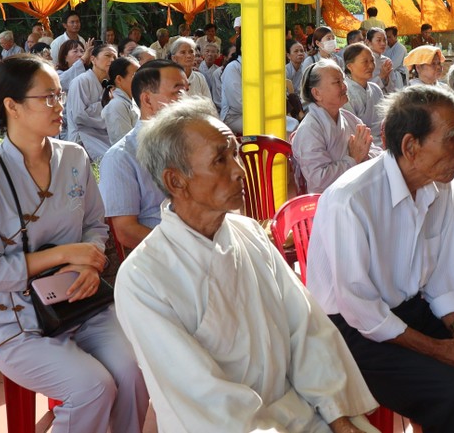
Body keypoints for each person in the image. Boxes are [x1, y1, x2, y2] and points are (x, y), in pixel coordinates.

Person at [113, 98, 379, 432]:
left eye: (235, 153)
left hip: (304, 412)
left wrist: (338, 415)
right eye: (220, 160)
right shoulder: (143, 278)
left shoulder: (248, 231)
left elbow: (307, 329)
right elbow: (204, 399)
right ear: (176, 181)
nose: (239, 170)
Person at [307, 85, 454, 433]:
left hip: (409, 311)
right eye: (452, 138)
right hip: (350, 332)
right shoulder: (351, 200)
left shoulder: (437, 187)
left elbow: (441, 277)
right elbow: (361, 310)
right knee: (453, 391)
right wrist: (441, 350)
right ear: (410, 146)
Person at [0, 54, 148, 433]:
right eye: (48, 98)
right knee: (93, 388)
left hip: (81, 303)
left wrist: (87, 263)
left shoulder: (73, 158)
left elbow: (95, 224)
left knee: (134, 370)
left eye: (60, 95)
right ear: (12, 106)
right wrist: (65, 255)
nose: (60, 106)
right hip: (16, 320)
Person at [99, 60, 188, 251]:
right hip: (164, 258)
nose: (187, 100)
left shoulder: (192, 147)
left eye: (187, 91)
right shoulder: (121, 157)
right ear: (147, 100)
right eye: (178, 92)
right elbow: (126, 231)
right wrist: (184, 250)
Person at [293, 60, 379, 193]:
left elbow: (375, 151)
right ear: (317, 93)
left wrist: (364, 156)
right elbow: (319, 180)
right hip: (329, 203)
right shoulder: (309, 129)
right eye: (337, 82)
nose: (345, 86)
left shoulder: (349, 118)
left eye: (343, 80)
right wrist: (353, 159)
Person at [66, 43, 118, 161]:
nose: (111, 60)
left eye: (114, 57)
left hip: (103, 137)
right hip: (83, 139)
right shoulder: (81, 81)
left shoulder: (111, 84)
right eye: (107, 55)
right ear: (93, 59)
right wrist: (106, 106)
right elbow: (80, 115)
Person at [342, 43, 383, 144]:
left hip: (384, 141)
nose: (371, 66)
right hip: (363, 145)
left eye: (372, 61)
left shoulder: (376, 89)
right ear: (350, 66)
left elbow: (385, 120)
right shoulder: (344, 93)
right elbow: (351, 131)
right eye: (365, 62)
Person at [101, 56, 140, 145]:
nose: (140, 80)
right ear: (119, 79)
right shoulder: (117, 105)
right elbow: (124, 144)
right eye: (135, 75)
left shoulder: (131, 101)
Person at [219, 37, 244, 135]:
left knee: (290, 123)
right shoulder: (233, 68)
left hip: (253, 113)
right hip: (233, 118)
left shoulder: (255, 66)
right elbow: (237, 103)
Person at [365, 28, 399, 93]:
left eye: (384, 40)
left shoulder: (386, 60)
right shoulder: (364, 60)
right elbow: (363, 87)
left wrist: (387, 80)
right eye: (379, 40)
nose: (383, 43)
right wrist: (381, 76)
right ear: (368, 42)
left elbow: (393, 87)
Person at [199, 42, 222, 110]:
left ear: (217, 55)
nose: (210, 54)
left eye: (213, 52)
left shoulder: (219, 70)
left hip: (215, 102)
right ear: (203, 54)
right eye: (207, 51)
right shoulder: (197, 67)